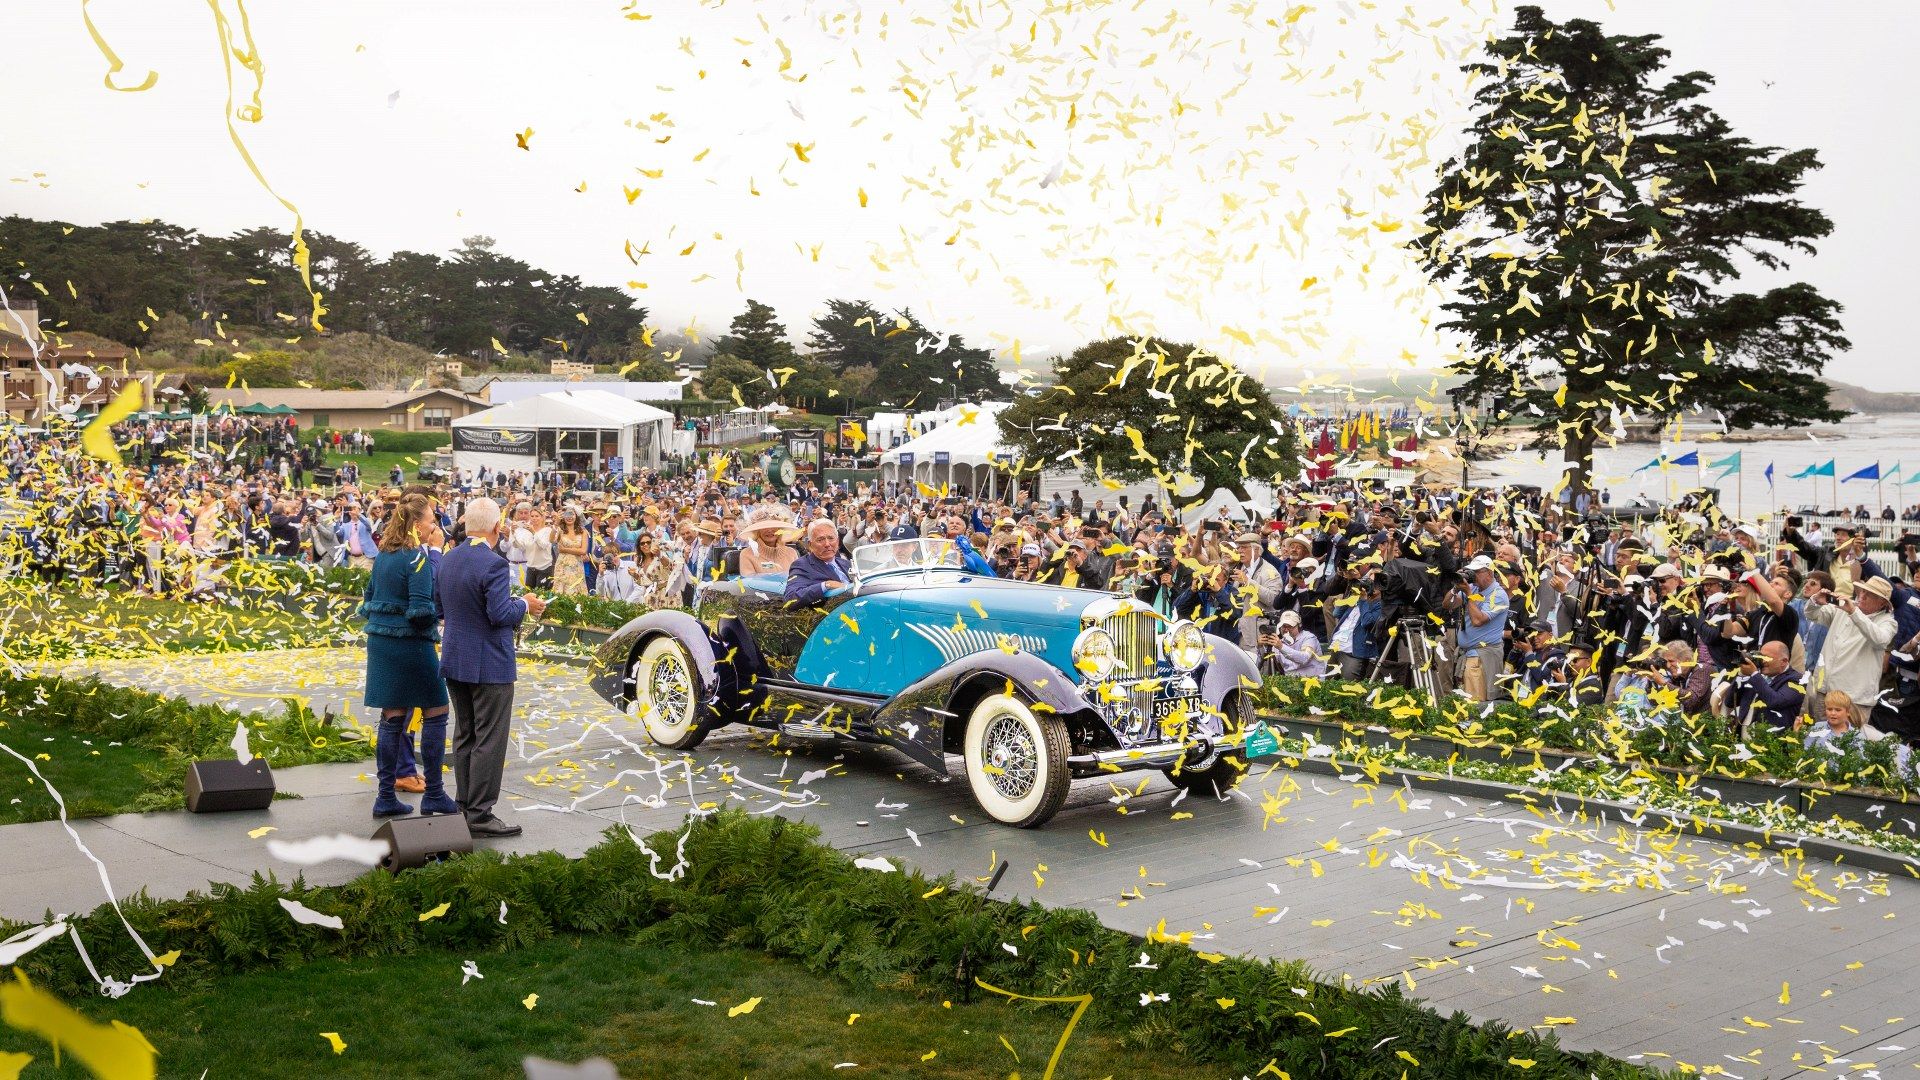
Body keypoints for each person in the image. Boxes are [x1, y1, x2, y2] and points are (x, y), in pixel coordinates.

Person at [438, 496, 547, 839]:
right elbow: (500, 614)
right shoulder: (495, 564)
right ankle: (480, 812)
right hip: (490, 663)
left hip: (456, 658)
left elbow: (440, 607)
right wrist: (524, 604)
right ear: (497, 528)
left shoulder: (447, 559)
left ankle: (463, 804)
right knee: (490, 737)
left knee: (465, 733)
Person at [361, 493, 455, 818]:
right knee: (437, 710)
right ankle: (435, 795)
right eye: (431, 519)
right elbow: (419, 610)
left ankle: (385, 796)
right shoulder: (416, 557)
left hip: (381, 644)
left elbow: (369, 598)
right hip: (411, 645)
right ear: (417, 524)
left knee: (392, 717)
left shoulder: (384, 554)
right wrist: (442, 618)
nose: (435, 525)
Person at [1805, 575, 1896, 726]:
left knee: (1846, 746)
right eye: (1862, 591)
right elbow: (1812, 614)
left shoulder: (1888, 622)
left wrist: (1854, 612)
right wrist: (1816, 601)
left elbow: (1880, 639)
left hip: (1853, 699)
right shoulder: (1844, 608)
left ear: (1882, 603)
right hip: (1822, 690)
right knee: (1813, 739)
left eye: (1870, 594)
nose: (1863, 595)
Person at [1458, 554, 1510, 701]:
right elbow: (1447, 605)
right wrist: (1456, 588)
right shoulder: (1473, 588)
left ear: (1489, 572)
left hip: (1482, 656)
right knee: (1467, 702)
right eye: (1471, 572)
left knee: (1477, 703)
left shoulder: (1499, 595)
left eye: (1477, 572)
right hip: (1468, 654)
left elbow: (1477, 620)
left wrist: (1468, 594)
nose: (1473, 576)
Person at [1732, 640, 1806, 733]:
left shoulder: (1798, 680)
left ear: (1784, 661)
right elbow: (1730, 702)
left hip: (1770, 742)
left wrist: (1754, 674)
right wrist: (1741, 675)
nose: (1762, 661)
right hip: (1742, 738)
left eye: (1766, 658)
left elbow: (1776, 702)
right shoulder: (1755, 676)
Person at [784, 518, 853, 605]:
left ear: (838, 541)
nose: (827, 544)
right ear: (810, 545)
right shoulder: (802, 565)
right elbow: (790, 598)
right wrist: (826, 585)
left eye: (831, 538)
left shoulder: (846, 563)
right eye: (820, 540)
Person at [738, 504, 801, 577]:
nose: (769, 530)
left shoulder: (791, 553)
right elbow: (750, 583)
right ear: (757, 531)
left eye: (774, 526)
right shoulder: (747, 554)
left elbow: (799, 579)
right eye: (764, 527)